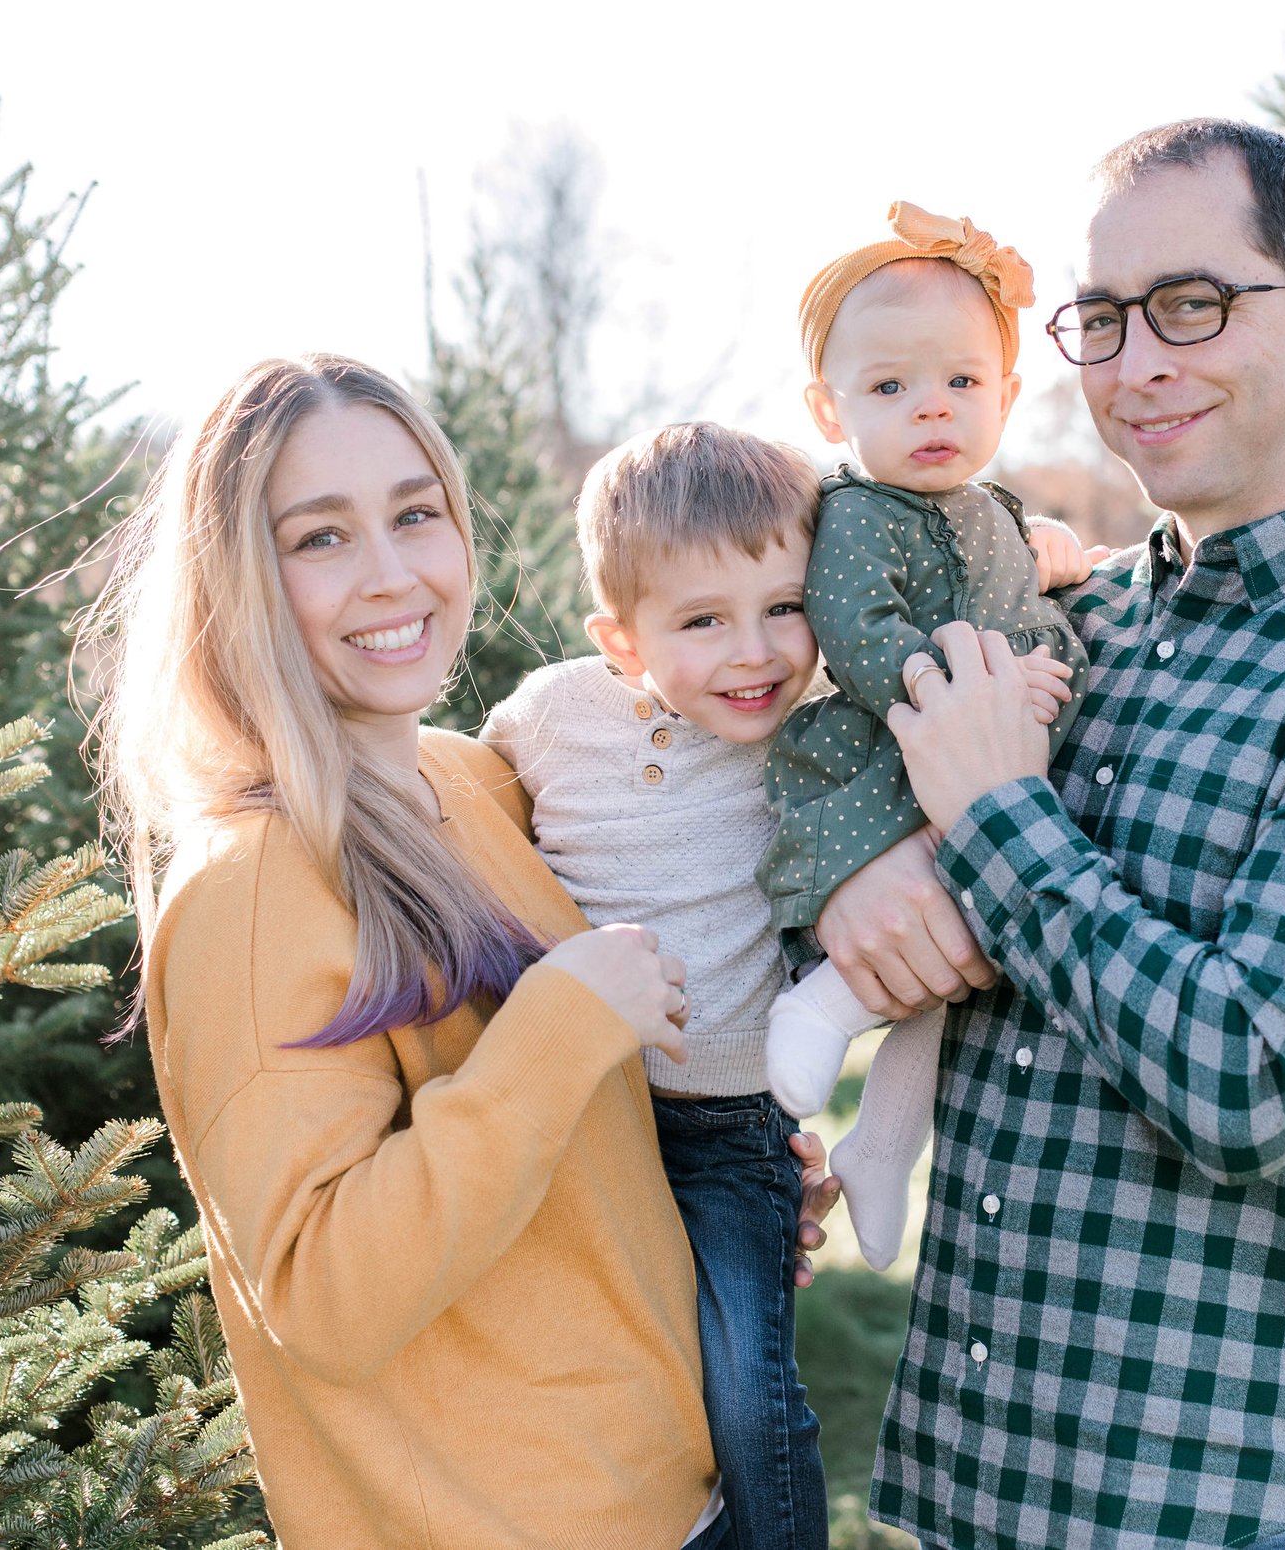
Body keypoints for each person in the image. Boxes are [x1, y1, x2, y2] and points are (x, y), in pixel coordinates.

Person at [819, 122, 1285, 1549]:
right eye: (1101, 319)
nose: (1136, 361)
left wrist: (997, 820)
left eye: (1195, 305)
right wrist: (863, 886)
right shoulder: (1075, 631)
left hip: (1241, 1514)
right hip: (985, 1504)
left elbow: (1250, 1075)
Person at [89, 355, 830, 1550]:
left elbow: (551, 1147)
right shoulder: (256, 884)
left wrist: (713, 1172)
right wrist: (562, 1026)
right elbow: (325, 1294)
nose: (392, 574)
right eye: (319, 537)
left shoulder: (467, 776)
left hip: (668, 1487)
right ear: (235, 583)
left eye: (414, 512)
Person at [480, 420, 840, 1550]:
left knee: (743, 1388)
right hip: (583, 1110)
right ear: (622, 642)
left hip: (732, 1127)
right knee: (614, 1383)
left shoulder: (815, 741)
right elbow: (449, 813)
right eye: (702, 621)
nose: (756, 652)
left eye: (785, 605)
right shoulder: (544, 720)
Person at [757, 202, 1094, 1267]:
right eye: (890, 387)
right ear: (829, 407)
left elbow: (1027, 612)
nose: (931, 409)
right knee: (940, 925)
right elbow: (860, 632)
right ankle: (817, 1010)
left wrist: (1048, 653)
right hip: (882, 770)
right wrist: (955, 679)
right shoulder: (856, 512)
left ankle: (887, 1141)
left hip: (974, 770)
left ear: (1005, 393)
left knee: (965, 965)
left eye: (959, 381)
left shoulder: (993, 512)